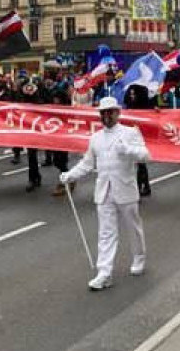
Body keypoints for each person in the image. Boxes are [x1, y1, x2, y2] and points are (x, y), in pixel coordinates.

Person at [61, 96, 150, 291]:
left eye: (110, 112)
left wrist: (127, 149)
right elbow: (87, 163)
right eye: (103, 113)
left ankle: (139, 257)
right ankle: (104, 272)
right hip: (104, 190)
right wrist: (70, 175)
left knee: (133, 227)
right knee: (106, 233)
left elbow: (145, 155)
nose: (107, 116)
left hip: (125, 188)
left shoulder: (130, 132)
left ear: (118, 113)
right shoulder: (96, 138)